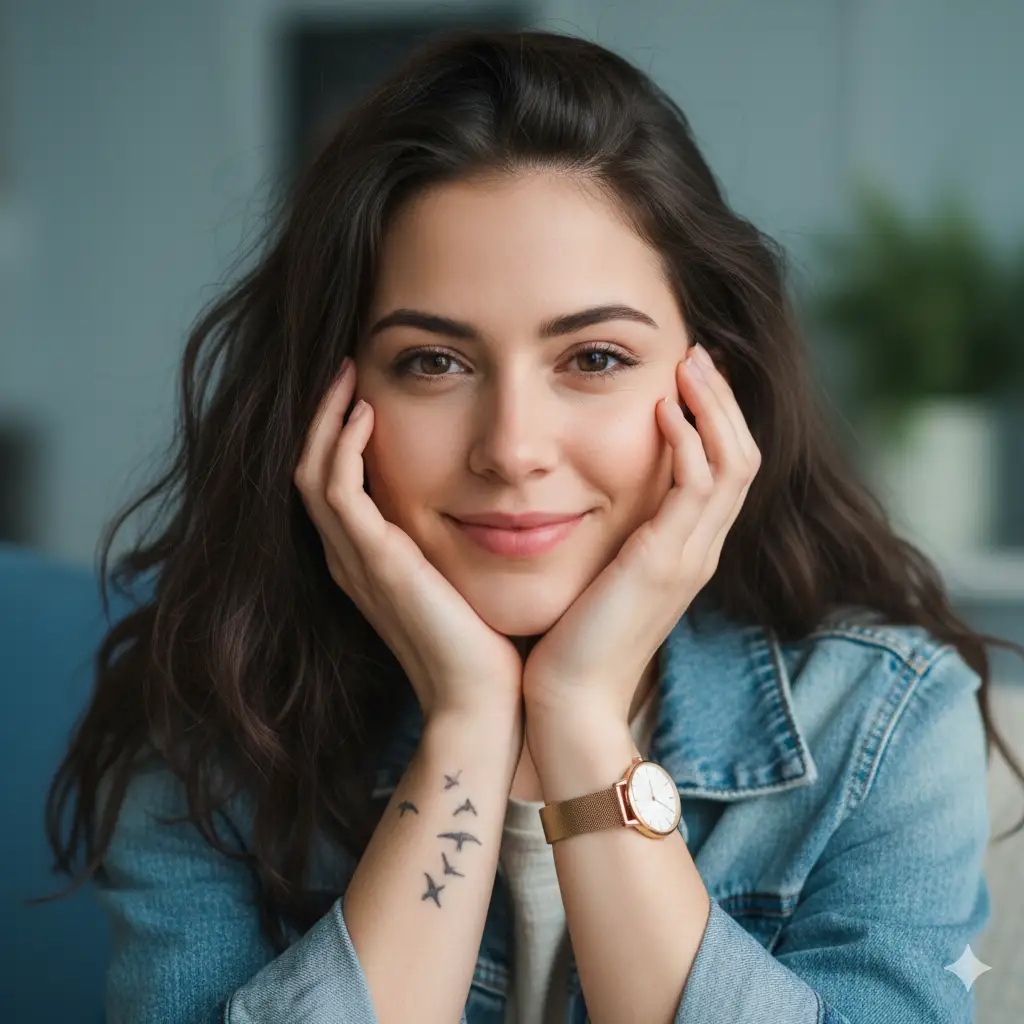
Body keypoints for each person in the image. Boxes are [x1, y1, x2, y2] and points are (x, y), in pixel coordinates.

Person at [38, 28, 1022, 1024]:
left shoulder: (880, 726)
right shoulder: (217, 740)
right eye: (433, 361)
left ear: (710, 386)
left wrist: (580, 716)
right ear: (329, 403)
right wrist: (465, 727)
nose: (512, 447)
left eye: (592, 358)